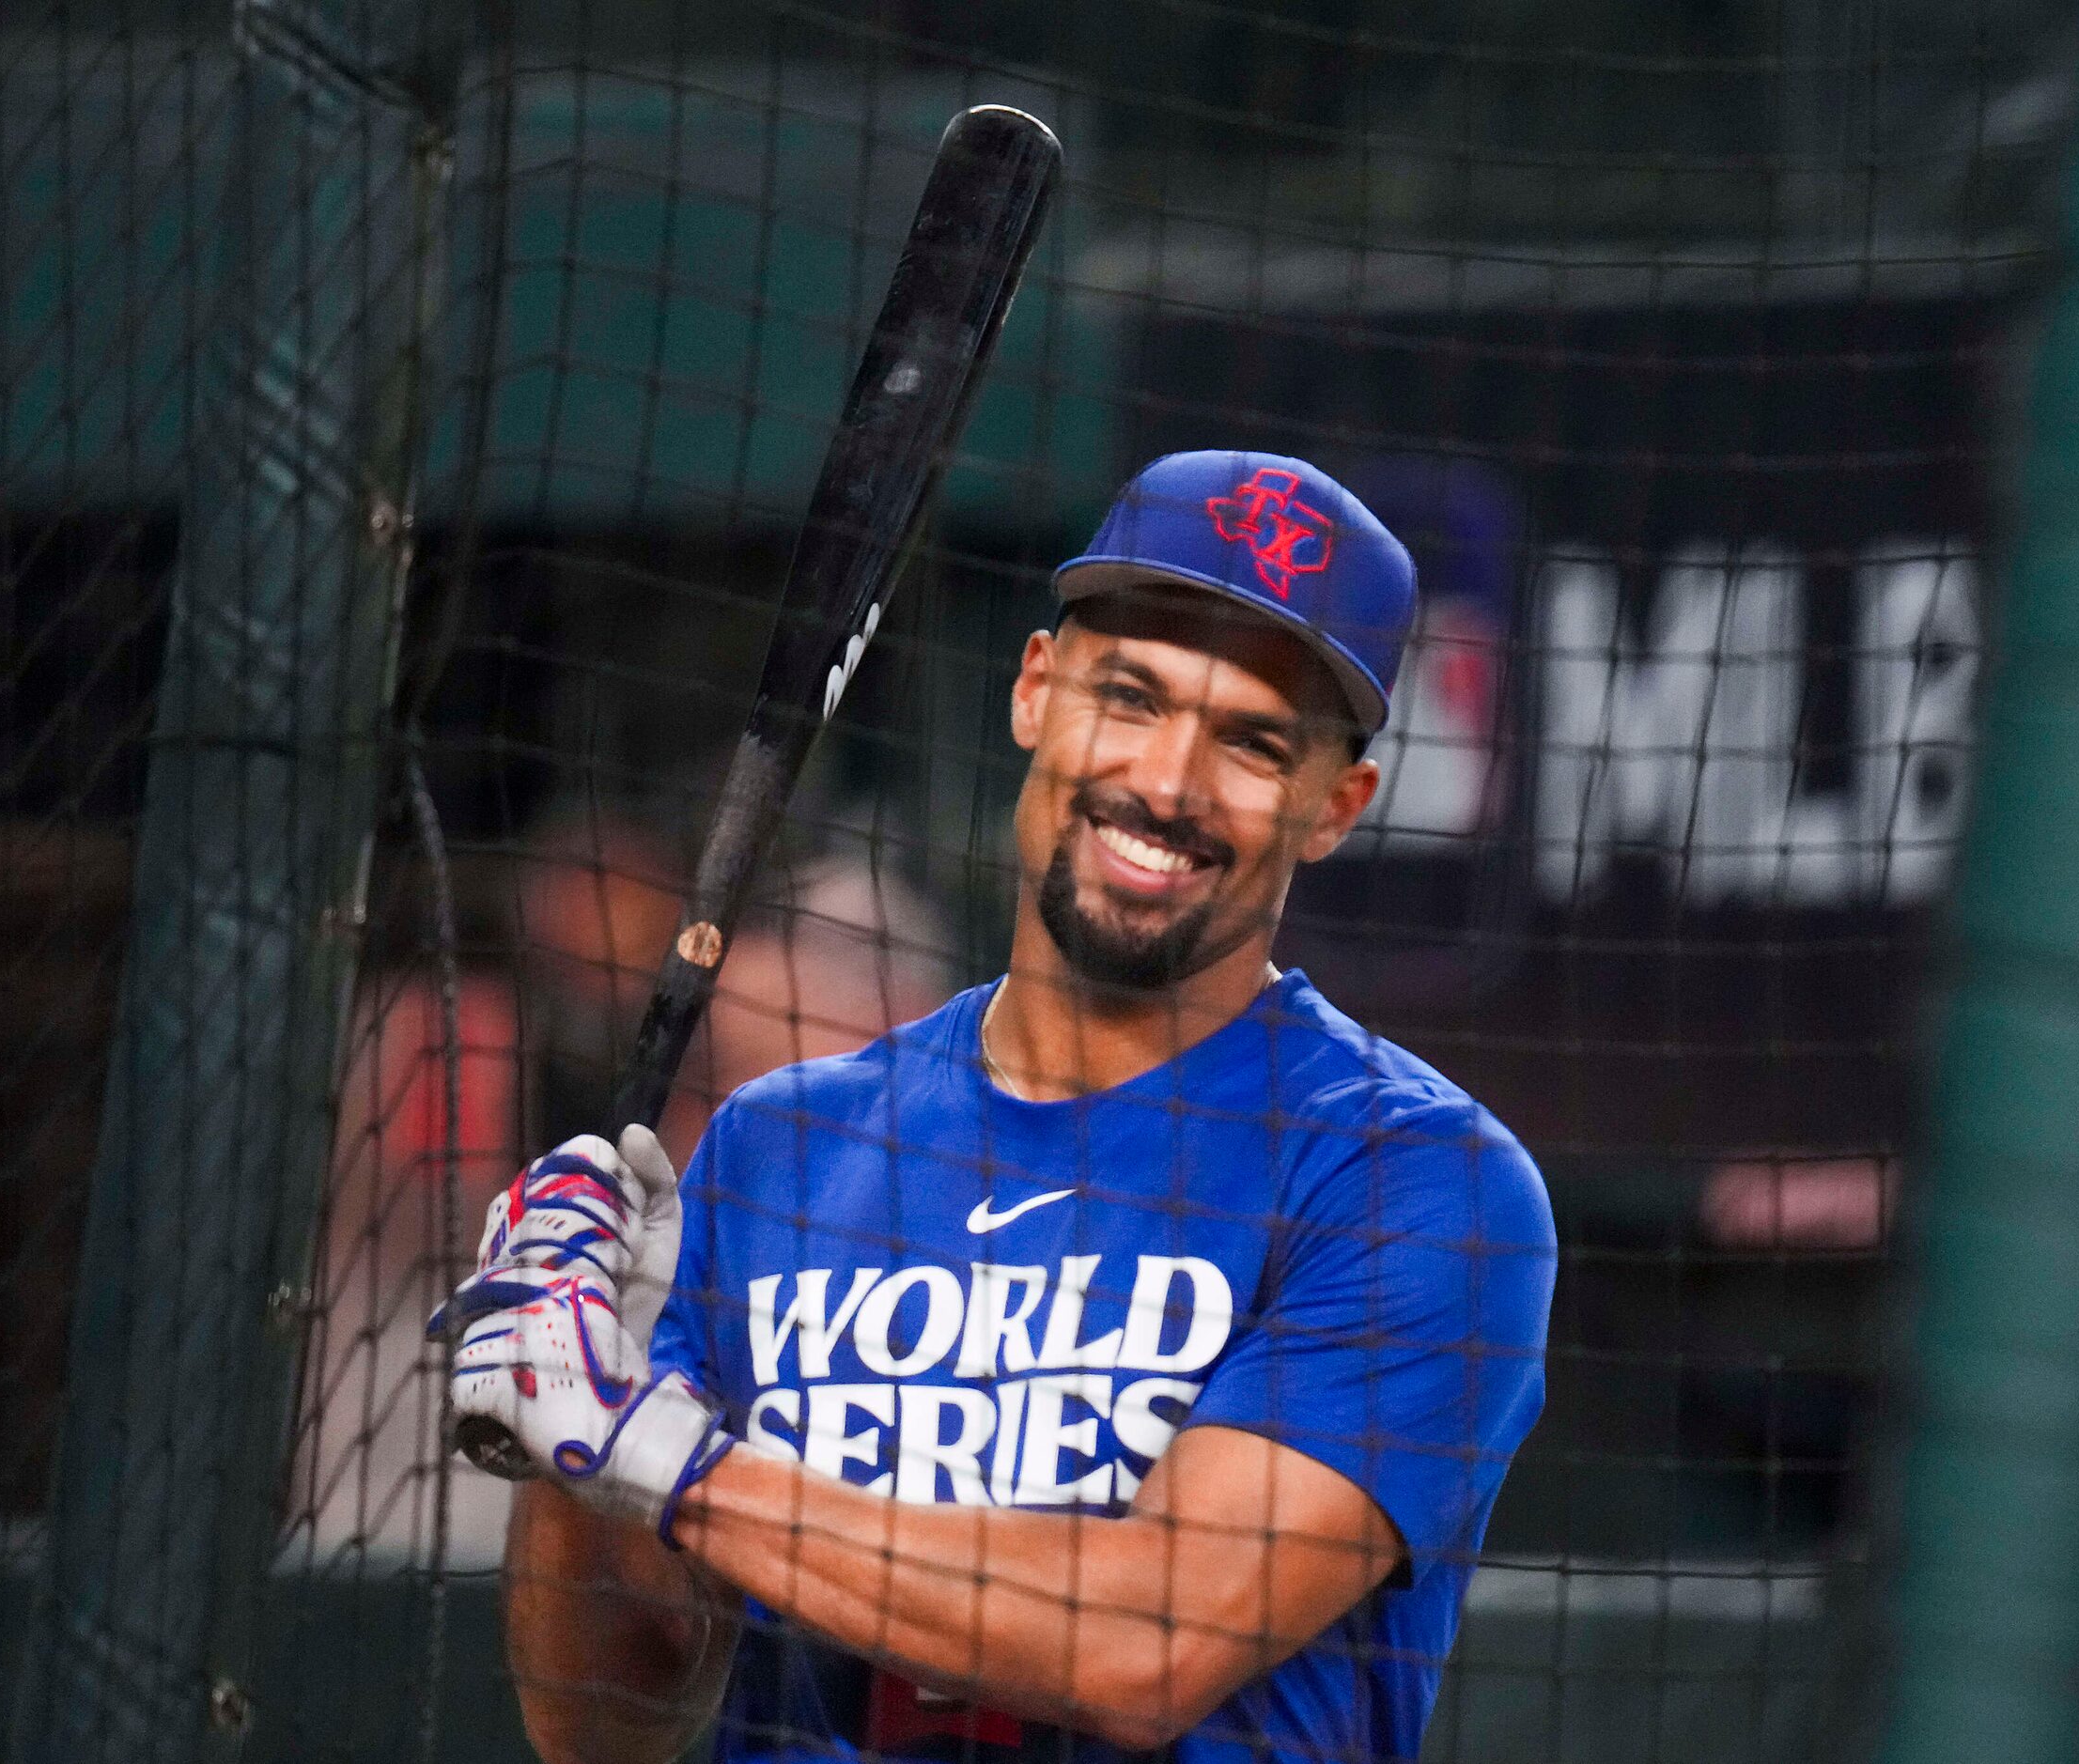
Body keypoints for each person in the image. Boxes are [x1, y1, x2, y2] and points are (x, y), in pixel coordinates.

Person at [430, 451, 1559, 1764]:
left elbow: (1145, 1647)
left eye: (1253, 741)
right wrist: (575, 1430)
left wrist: (668, 1461)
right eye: (1128, 695)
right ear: (1034, 690)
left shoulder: (1414, 1182)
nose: (1168, 781)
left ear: (1333, 806)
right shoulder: (777, 1143)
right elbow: (607, 1727)